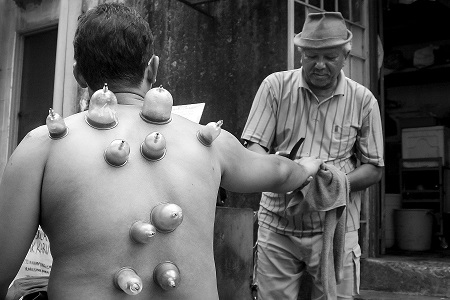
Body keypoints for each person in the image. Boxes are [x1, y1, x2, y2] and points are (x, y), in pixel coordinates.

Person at [0, 3, 324, 300]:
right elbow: (281, 172)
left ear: (78, 74)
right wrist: (308, 166)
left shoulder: (42, 147)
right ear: (152, 69)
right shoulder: (209, 142)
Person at [241, 12, 384, 300]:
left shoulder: (363, 100)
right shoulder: (275, 87)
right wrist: (280, 169)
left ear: (345, 55)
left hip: (336, 228)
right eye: (311, 56)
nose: (320, 65)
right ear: (301, 54)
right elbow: (253, 149)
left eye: (330, 57)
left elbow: (373, 168)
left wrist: (328, 184)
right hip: (278, 223)